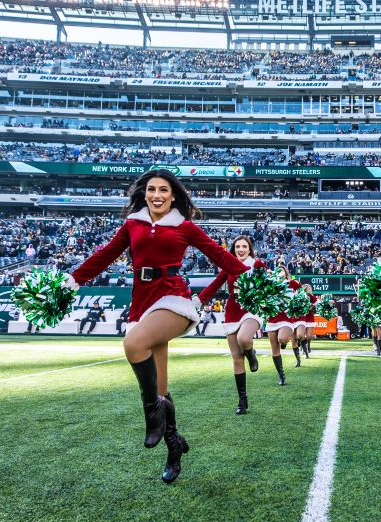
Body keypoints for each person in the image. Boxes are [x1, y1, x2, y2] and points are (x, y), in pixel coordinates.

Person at [66, 169, 248, 484]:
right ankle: (173, 445)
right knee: (162, 387)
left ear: (173, 195)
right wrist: (71, 281)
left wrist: (259, 277)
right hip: (142, 302)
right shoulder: (132, 224)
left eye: (164, 190)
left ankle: (152, 417)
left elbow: (220, 256)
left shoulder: (185, 226)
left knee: (133, 344)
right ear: (145, 193)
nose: (157, 195)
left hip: (173, 299)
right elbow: (105, 256)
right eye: (152, 189)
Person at [195, 234, 267, 415]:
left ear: (250, 249)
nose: (241, 250)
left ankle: (251, 353)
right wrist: (198, 301)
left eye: (244, 246)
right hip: (232, 311)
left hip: (252, 309)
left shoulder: (257, 265)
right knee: (236, 357)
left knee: (244, 339)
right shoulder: (228, 265)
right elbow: (214, 285)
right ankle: (242, 400)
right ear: (234, 249)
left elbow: (269, 285)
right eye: (237, 247)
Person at [262, 261, 302, 384]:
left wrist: (298, 303)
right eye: (277, 271)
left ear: (286, 273)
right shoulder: (270, 285)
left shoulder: (292, 283)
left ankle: (285, 341)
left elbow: (302, 295)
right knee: (275, 349)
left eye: (282, 270)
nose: (279, 272)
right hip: (272, 318)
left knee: (282, 339)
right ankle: (281, 375)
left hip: (287, 318)